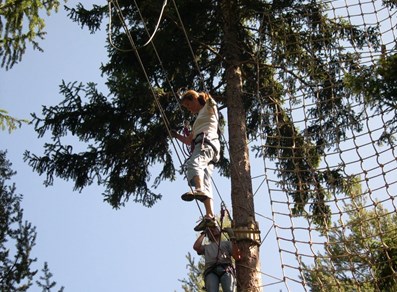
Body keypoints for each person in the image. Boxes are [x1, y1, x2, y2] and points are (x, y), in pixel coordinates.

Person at [171, 89, 220, 231]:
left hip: (206, 142)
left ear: (194, 99)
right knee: (205, 180)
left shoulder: (209, 107)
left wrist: (200, 96)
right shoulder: (198, 121)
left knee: (194, 163)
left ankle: (198, 190)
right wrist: (176, 135)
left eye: (188, 105)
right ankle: (210, 217)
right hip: (208, 145)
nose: (188, 109)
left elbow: (209, 100)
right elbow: (188, 140)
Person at [193, 225, 240, 292]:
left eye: (215, 228)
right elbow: (196, 247)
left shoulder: (227, 244)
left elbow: (237, 256)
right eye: (211, 230)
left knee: (229, 290)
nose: (213, 230)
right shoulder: (206, 247)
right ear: (208, 235)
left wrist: (232, 238)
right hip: (211, 271)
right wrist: (204, 233)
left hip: (225, 269)